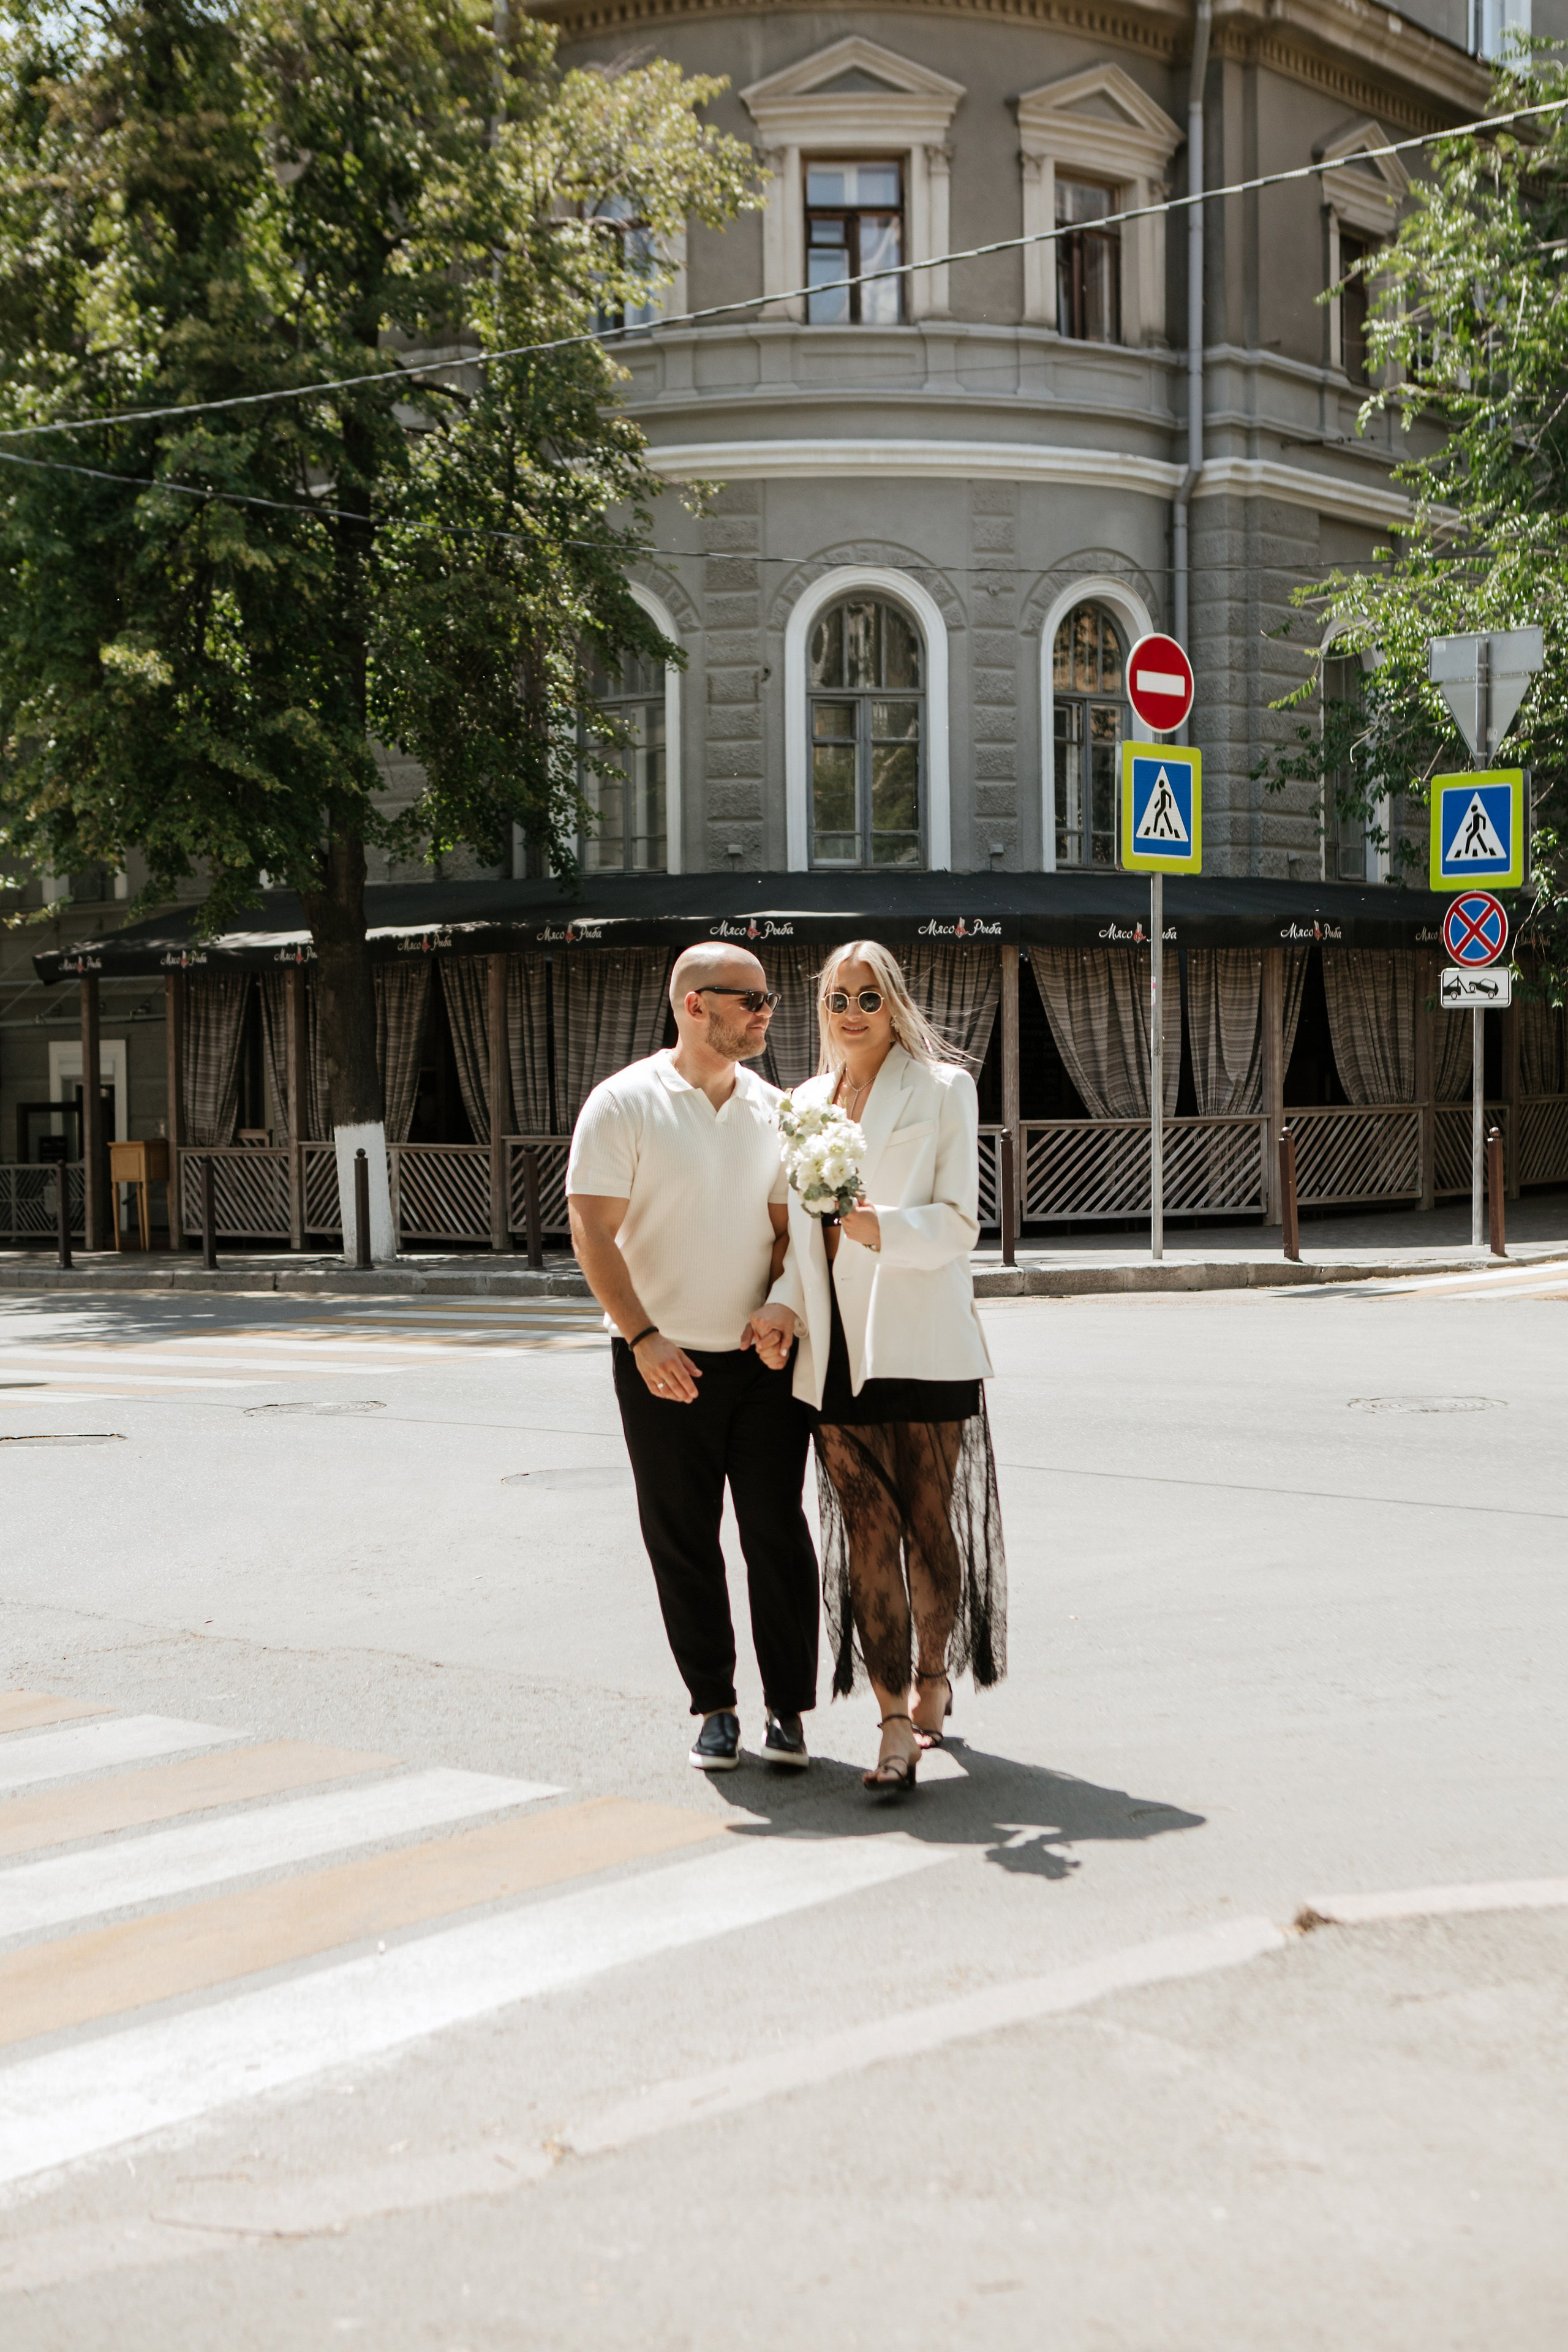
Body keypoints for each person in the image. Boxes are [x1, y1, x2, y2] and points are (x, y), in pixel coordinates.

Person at [750, 940, 1006, 1793]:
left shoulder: (943, 1090)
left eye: (867, 998)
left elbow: (962, 1222)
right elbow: (797, 1239)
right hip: (835, 1354)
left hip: (921, 1340)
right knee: (867, 1531)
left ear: (893, 1005)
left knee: (930, 1527)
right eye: (836, 1000)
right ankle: (892, 1722)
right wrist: (784, 1304)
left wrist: (879, 1229)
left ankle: (935, 1679)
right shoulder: (804, 1103)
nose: (852, 1014)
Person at [567, 943, 820, 1774]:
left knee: (777, 1535)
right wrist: (641, 1337)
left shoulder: (777, 1110)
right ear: (692, 1004)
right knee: (682, 1538)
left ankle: (789, 1709)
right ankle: (715, 1705)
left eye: (767, 999)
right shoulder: (624, 1103)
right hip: (659, 1361)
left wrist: (784, 1302)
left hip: (761, 1362)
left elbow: (792, 1237)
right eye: (746, 998)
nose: (763, 1012)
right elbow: (593, 1231)